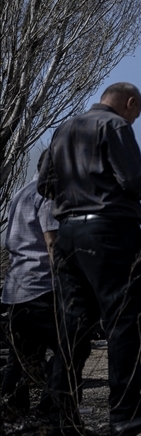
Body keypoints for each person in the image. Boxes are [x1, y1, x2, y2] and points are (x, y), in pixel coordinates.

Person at [37, 82, 141, 436]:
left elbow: (44, 185)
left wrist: (74, 193)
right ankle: (126, 413)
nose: (135, 120)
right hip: (109, 233)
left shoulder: (64, 128)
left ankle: (61, 417)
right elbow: (133, 181)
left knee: (72, 327)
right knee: (123, 321)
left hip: (67, 234)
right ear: (130, 102)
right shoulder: (115, 126)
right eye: (136, 113)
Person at [1, 169, 60, 415]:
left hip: (16, 286)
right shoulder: (48, 196)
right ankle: (51, 408)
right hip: (41, 287)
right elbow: (52, 243)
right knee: (68, 349)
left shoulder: (20, 194)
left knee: (20, 357)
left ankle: (12, 409)